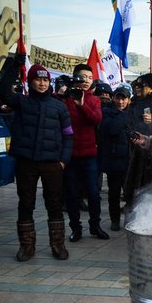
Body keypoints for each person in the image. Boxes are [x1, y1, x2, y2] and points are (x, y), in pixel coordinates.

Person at [0, 60, 73, 261]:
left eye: (45, 80)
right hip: (26, 162)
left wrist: (63, 160)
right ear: (30, 82)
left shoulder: (59, 107)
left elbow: (68, 136)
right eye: (38, 79)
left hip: (52, 163)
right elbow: (3, 90)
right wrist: (13, 66)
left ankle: (58, 245)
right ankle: (26, 247)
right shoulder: (21, 102)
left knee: (54, 203)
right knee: (26, 203)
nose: (42, 83)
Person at [62, 63, 107, 242]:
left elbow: (96, 119)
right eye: (83, 77)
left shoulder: (93, 99)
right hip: (70, 154)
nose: (86, 81)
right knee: (72, 194)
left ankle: (95, 226)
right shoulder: (65, 99)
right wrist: (65, 96)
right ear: (75, 79)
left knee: (94, 193)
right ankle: (76, 228)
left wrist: (81, 104)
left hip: (89, 154)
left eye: (90, 78)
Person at [98, 85, 134, 231]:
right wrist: (124, 115)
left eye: (123, 98)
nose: (120, 102)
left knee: (130, 193)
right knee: (113, 193)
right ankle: (114, 220)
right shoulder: (106, 112)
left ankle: (130, 220)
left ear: (128, 100)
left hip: (130, 159)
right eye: (118, 98)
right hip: (113, 160)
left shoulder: (134, 113)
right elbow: (112, 129)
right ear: (113, 98)